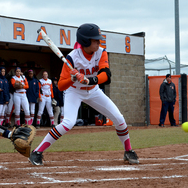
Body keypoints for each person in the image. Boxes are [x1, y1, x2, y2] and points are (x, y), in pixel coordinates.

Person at [29, 23, 139, 166]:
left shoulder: (101, 52)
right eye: (95, 40)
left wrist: (90, 80)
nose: (99, 42)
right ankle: (37, 152)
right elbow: (62, 85)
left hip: (93, 91)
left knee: (119, 118)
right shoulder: (72, 58)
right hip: (74, 91)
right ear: (86, 41)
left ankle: (128, 150)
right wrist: (73, 78)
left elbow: (106, 75)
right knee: (68, 123)